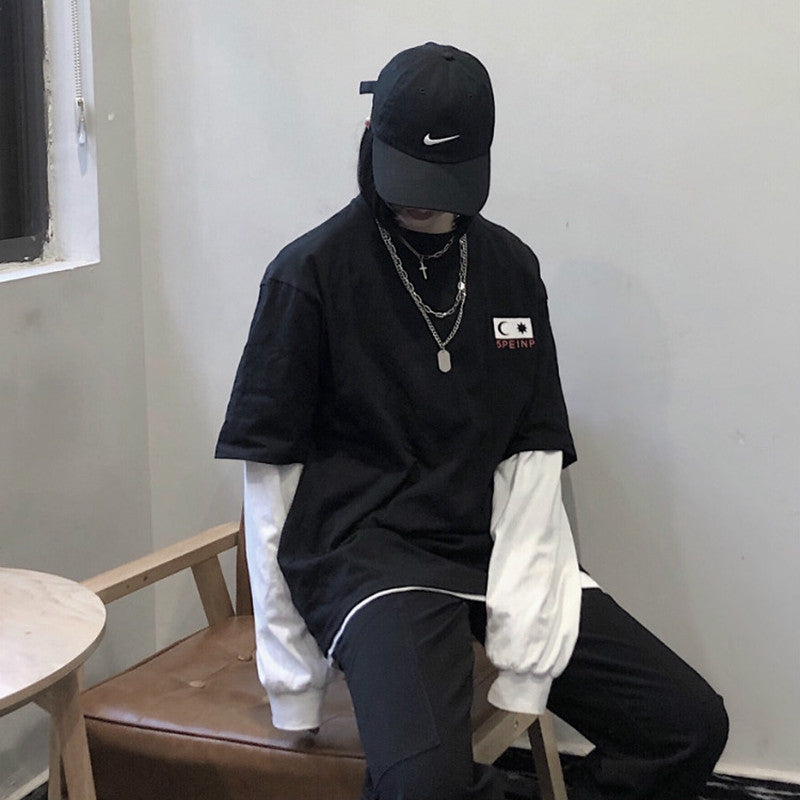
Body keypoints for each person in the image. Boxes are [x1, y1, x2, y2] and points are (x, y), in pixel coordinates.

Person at [216, 42, 728, 800]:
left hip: (492, 547)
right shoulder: (309, 274)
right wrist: (291, 676)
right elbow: (271, 479)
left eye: (445, 179)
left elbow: (532, 448)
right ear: (370, 137)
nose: (422, 201)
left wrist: (529, 604)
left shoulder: (510, 269)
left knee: (688, 725)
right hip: (369, 560)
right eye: (408, 175)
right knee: (424, 784)